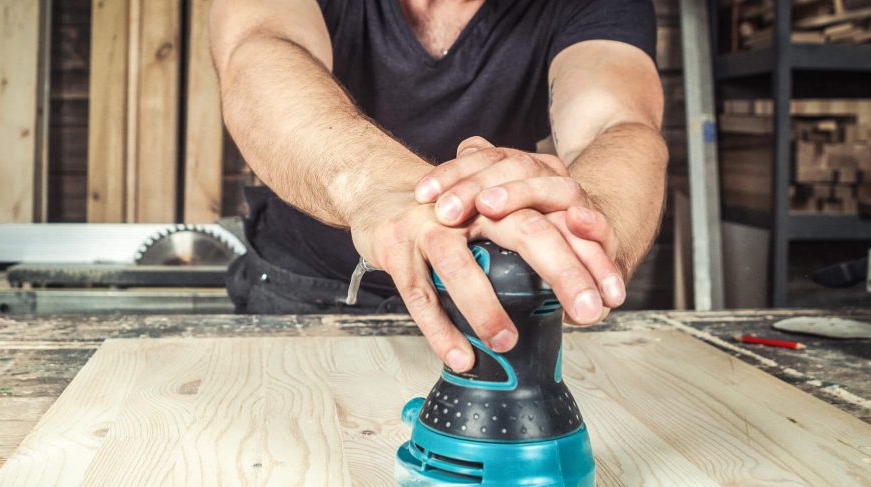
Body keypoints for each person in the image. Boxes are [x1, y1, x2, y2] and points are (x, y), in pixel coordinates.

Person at [212, 0, 667, 373]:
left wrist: (590, 220)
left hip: (483, 301)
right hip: (304, 291)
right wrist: (385, 190)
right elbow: (260, 53)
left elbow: (616, 122)